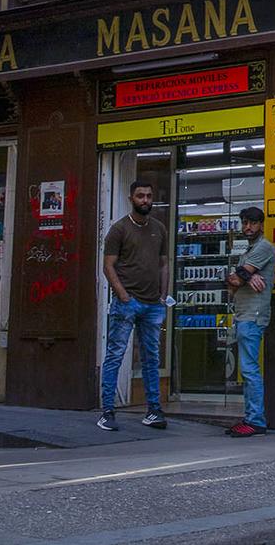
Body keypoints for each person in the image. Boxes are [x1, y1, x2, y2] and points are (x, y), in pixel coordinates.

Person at [99, 177, 169, 432]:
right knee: (115, 355)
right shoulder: (119, 229)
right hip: (128, 303)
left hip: (153, 304)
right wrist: (123, 295)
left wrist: (163, 295)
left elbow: (164, 263)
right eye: (140, 196)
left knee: (152, 358)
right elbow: (108, 266)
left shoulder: (159, 228)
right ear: (131, 199)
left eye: (149, 196)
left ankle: (154, 410)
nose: (145, 201)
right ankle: (107, 411)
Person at [225, 205, 275, 437]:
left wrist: (243, 275)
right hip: (243, 314)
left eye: (252, 223)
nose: (248, 227)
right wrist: (246, 275)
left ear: (261, 224)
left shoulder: (264, 247)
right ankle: (250, 417)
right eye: (244, 222)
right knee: (247, 370)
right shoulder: (248, 251)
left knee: (249, 370)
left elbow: (237, 277)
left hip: (252, 316)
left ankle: (256, 420)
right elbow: (232, 281)